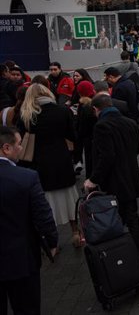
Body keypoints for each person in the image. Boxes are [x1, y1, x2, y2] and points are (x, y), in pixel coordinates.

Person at [0, 126, 58, 315]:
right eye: (18, 144)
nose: (21, 148)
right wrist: (51, 242)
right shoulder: (26, 178)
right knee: (27, 308)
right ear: (6, 148)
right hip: (21, 259)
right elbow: (42, 215)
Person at [17, 84, 81, 246]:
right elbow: (73, 135)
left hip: (39, 163)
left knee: (46, 203)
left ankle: (52, 242)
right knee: (69, 198)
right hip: (62, 160)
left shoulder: (27, 115)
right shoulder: (62, 111)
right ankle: (76, 232)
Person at [85, 94, 139, 254]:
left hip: (114, 181)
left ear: (96, 109)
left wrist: (93, 179)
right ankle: (136, 253)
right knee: (132, 216)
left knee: (115, 217)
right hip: (131, 177)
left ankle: (121, 254)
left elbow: (107, 156)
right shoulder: (130, 123)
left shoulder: (101, 126)